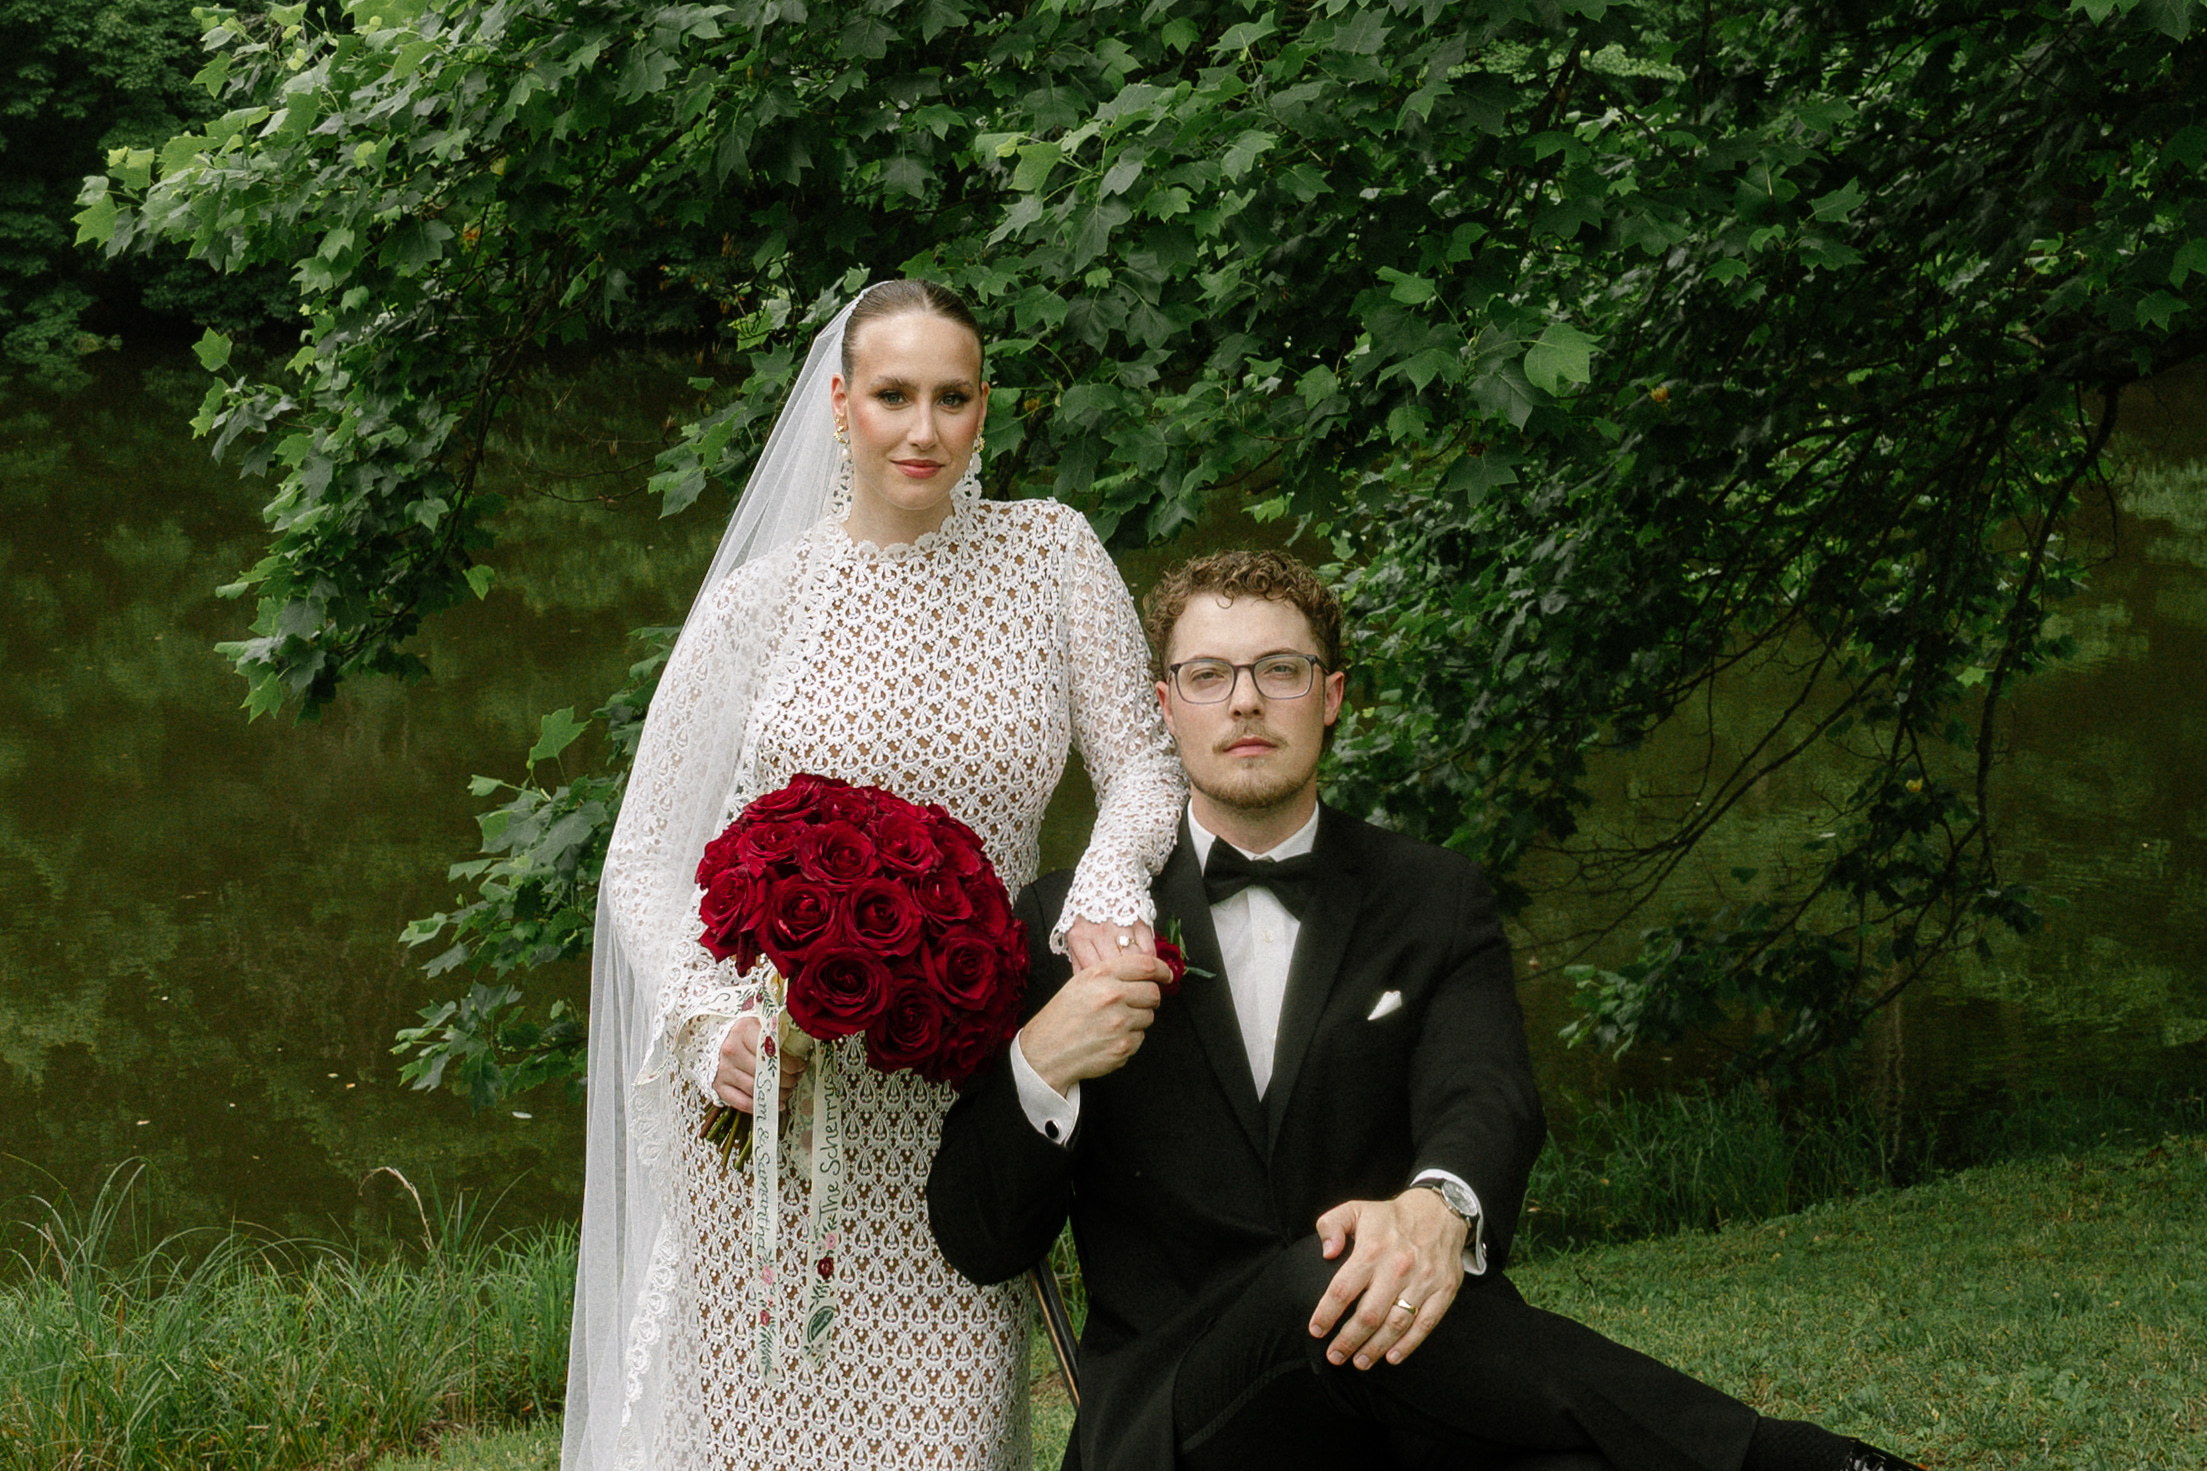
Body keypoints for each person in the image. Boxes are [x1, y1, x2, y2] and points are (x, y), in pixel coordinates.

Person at [927, 550, 1922, 1471]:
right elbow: (979, 1237)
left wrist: (1437, 1202)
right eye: (1207, 675)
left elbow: (1484, 1095)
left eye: (1279, 669)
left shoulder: (1430, 895)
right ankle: (1787, 1460)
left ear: (1332, 697)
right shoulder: (1070, 922)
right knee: (1327, 1275)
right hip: (1181, 1418)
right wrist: (1041, 1061)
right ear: (1163, 705)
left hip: (1403, 1377)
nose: (1243, 701)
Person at [561, 280, 1186, 1471]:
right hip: (783, 1119)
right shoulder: (762, 603)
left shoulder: (1050, 552)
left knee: (942, 1434)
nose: (922, 428)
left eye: (952, 397)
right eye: (892, 395)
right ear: (839, 404)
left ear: (985, 407)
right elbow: (641, 857)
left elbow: (1146, 772)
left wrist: (1108, 887)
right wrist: (707, 1023)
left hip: (960, 1106)